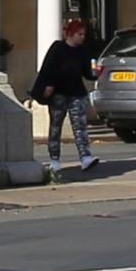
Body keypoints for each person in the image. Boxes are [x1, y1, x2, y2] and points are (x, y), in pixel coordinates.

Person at [33, 12, 98, 180]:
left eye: (84, 35)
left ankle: (85, 157)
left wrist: (95, 74)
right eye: (79, 34)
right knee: (55, 127)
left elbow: (86, 72)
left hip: (77, 93)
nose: (82, 38)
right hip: (59, 94)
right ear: (71, 34)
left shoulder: (82, 52)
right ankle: (54, 159)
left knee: (80, 127)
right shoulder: (58, 48)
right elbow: (48, 68)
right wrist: (47, 86)